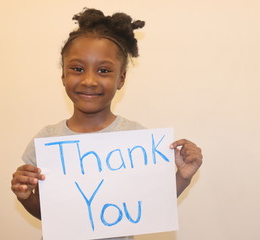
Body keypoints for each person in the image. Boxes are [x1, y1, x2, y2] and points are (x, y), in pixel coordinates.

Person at [11, 8, 203, 240]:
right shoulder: (46, 140)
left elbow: (152, 204)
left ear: (121, 79)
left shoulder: (137, 139)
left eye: (103, 70)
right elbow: (50, 214)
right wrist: (26, 196)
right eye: (77, 69)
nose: (89, 80)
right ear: (63, 75)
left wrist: (183, 176)